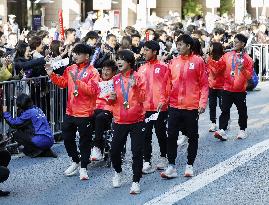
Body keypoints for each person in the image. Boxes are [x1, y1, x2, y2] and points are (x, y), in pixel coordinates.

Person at [45, 43, 100, 180]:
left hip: (85, 112)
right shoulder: (70, 68)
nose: (75, 55)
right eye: (74, 53)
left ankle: (83, 168)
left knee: (84, 141)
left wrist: (78, 82)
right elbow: (63, 83)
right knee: (67, 138)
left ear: (87, 56)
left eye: (78, 53)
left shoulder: (93, 72)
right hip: (70, 111)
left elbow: (92, 91)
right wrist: (51, 74)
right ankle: (75, 160)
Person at [161, 34, 208, 179]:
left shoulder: (198, 61)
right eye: (177, 44)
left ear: (188, 46)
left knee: (192, 136)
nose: (178, 47)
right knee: (171, 136)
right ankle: (171, 166)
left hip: (191, 107)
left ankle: (189, 165)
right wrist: (163, 100)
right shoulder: (173, 62)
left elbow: (204, 84)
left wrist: (202, 103)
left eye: (181, 44)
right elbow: (167, 83)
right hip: (174, 105)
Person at [109, 50, 146, 194]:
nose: (118, 62)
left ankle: (136, 181)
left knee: (137, 152)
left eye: (122, 59)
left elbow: (143, 98)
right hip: (119, 120)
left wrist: (135, 86)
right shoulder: (115, 79)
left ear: (129, 62)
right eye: (117, 59)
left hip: (137, 120)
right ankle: (118, 172)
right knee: (114, 151)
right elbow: (111, 100)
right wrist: (111, 98)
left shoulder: (139, 77)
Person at [210, 34, 253, 140]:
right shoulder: (227, 55)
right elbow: (218, 67)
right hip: (226, 88)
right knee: (224, 110)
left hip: (240, 90)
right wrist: (210, 59)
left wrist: (243, 69)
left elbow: (249, 76)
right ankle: (222, 131)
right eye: (234, 41)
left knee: (241, 110)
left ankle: (242, 130)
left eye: (237, 42)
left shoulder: (248, 59)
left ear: (243, 44)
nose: (234, 44)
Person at [137, 40, 170, 174]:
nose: (143, 52)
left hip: (159, 108)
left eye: (147, 50)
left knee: (161, 133)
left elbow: (168, 86)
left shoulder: (163, 67)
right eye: (143, 50)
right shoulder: (141, 68)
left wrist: (164, 101)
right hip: (145, 108)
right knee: (145, 134)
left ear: (155, 52)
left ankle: (163, 156)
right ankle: (147, 161)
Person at [3, 93, 56, 158]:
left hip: (41, 140)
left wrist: (5, 113)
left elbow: (14, 124)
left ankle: (36, 152)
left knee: (16, 133)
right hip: (50, 139)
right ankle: (44, 149)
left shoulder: (29, 112)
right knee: (26, 131)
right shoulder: (37, 109)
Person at [90, 60, 117, 161]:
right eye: (104, 70)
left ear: (113, 72)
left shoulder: (116, 82)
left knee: (100, 118)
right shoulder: (97, 81)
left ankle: (97, 147)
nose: (105, 72)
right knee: (88, 116)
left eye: (108, 70)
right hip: (95, 107)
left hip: (108, 109)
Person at [207, 42, 225, 132]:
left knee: (222, 106)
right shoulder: (209, 58)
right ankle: (213, 123)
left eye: (210, 47)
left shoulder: (222, 59)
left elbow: (216, 71)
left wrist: (209, 61)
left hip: (221, 86)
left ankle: (225, 121)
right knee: (212, 105)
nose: (209, 48)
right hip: (211, 86)